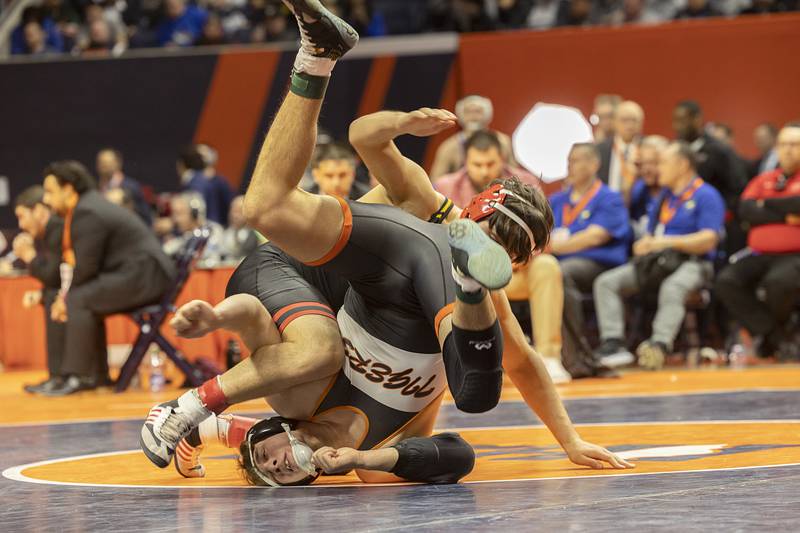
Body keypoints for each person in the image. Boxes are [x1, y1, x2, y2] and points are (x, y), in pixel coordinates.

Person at [141, 0, 630, 486]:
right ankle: (192, 408)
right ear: (475, 217)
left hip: (352, 321)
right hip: (296, 270)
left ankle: (217, 426)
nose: (500, 260)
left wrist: (570, 441)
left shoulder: (481, 291)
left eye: (507, 257)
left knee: (370, 431)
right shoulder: (428, 202)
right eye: (493, 245)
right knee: (307, 316)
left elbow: (524, 365)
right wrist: (402, 122)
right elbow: (364, 136)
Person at [434, 129, 566, 381]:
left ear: (503, 159)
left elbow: (542, 238)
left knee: (547, 266)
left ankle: (549, 357)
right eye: (477, 164)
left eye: (490, 163)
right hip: (460, 275)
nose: (484, 170)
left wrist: (515, 260)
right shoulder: (445, 185)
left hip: (515, 272)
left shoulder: (526, 183)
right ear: (465, 162)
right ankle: (459, 361)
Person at [41, 161, 176, 395]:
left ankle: (80, 376)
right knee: (80, 296)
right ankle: (96, 375)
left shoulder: (87, 211)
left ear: (69, 188)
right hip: (139, 273)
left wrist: (64, 298)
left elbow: (85, 269)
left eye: (50, 191)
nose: (46, 198)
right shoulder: (88, 205)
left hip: (145, 276)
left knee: (79, 298)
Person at [593, 142, 725, 370]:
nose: (658, 168)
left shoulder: (706, 194)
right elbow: (650, 234)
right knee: (606, 282)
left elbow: (708, 240)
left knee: (673, 287)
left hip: (693, 263)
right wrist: (643, 244)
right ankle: (613, 343)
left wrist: (666, 242)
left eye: (663, 162)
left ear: (683, 165)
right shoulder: (665, 197)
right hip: (657, 262)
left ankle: (658, 346)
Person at [715, 123, 800, 359]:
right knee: (726, 281)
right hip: (758, 253)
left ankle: (773, 338)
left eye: (794, 145)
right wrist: (787, 213)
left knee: (778, 283)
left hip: (795, 255)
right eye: (783, 144)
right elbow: (746, 209)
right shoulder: (763, 179)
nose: (788, 150)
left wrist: (767, 204)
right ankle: (777, 335)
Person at [549, 144, 631, 372]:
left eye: (576, 160)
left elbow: (595, 236)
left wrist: (553, 246)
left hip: (597, 263)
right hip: (560, 261)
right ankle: (550, 351)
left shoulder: (609, 198)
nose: (569, 166)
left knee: (559, 272)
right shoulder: (557, 200)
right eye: (568, 160)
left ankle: (577, 355)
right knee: (542, 272)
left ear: (594, 164)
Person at [672, 100, 748, 254]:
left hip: (714, 221)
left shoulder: (719, 150)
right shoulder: (675, 150)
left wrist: (723, 214)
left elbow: (738, 186)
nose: (678, 126)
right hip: (682, 219)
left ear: (697, 119)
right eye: (675, 121)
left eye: (683, 120)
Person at [11, 186, 66, 394]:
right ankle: (56, 375)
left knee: (54, 297)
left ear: (39, 211)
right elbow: (57, 276)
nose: (20, 224)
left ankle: (60, 375)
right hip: (76, 286)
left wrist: (29, 256)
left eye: (22, 216)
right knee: (50, 295)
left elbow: (54, 277)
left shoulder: (56, 227)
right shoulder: (50, 230)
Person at [429, 95, 516, 179]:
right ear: (459, 114)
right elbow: (436, 182)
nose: (473, 116)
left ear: (488, 113)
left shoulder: (503, 141)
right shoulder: (449, 147)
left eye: (478, 111)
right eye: (468, 112)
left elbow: (515, 174)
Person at [597, 100, 644, 202]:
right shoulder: (600, 149)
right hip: (606, 206)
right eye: (625, 120)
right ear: (614, 122)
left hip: (637, 207)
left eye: (634, 120)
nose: (630, 125)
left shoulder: (646, 148)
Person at [177, 144, 235, 226]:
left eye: (204, 157)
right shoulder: (193, 181)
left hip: (207, 228)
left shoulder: (218, 182)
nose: (202, 160)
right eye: (199, 156)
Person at [162, 192, 225, 264]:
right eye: (173, 214)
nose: (175, 219)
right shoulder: (183, 236)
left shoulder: (213, 230)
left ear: (194, 214)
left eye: (179, 213)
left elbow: (208, 259)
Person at [95, 148, 151, 224]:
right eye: (101, 163)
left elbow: (145, 218)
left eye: (108, 163)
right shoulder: (94, 188)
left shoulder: (132, 187)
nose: (104, 166)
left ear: (118, 163)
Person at [629, 135, 670, 239]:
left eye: (652, 163)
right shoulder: (637, 190)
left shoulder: (675, 192)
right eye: (642, 163)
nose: (646, 170)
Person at [306, 142, 370, 199]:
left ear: (353, 174)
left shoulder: (368, 198)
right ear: (316, 175)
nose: (336, 183)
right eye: (329, 176)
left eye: (342, 175)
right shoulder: (304, 200)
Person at [218, 195, 261, 262]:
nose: (235, 215)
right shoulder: (223, 232)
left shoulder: (257, 234)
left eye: (239, 211)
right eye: (233, 211)